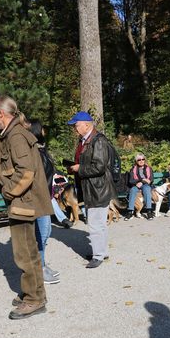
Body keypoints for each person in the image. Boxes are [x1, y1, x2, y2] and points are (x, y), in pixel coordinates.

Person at [0, 96, 53, 319]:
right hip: (23, 201)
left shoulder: (16, 135)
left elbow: (26, 172)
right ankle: (34, 292)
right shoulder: (14, 133)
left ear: (1, 113)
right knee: (29, 251)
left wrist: (8, 192)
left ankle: (34, 300)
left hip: (22, 202)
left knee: (24, 253)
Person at [67, 111, 117, 269]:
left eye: (76, 125)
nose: (74, 128)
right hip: (93, 188)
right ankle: (101, 251)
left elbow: (99, 167)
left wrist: (79, 168)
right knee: (99, 223)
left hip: (98, 189)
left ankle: (98, 256)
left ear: (87, 125)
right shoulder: (85, 140)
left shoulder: (98, 140)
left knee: (95, 224)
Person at [29, 121, 63, 285]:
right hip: (38, 199)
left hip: (46, 197)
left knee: (46, 232)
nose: (44, 130)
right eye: (42, 128)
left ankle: (42, 264)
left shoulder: (41, 149)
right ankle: (39, 270)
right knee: (41, 235)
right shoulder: (34, 151)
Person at [124, 153, 154, 220]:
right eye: (139, 160)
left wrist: (142, 182)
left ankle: (149, 211)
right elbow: (131, 181)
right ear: (136, 161)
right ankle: (130, 211)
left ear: (145, 160)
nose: (141, 161)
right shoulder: (133, 169)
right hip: (136, 185)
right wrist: (142, 180)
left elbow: (151, 180)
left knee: (146, 189)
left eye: (143, 159)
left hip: (146, 185)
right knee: (132, 190)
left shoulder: (149, 168)